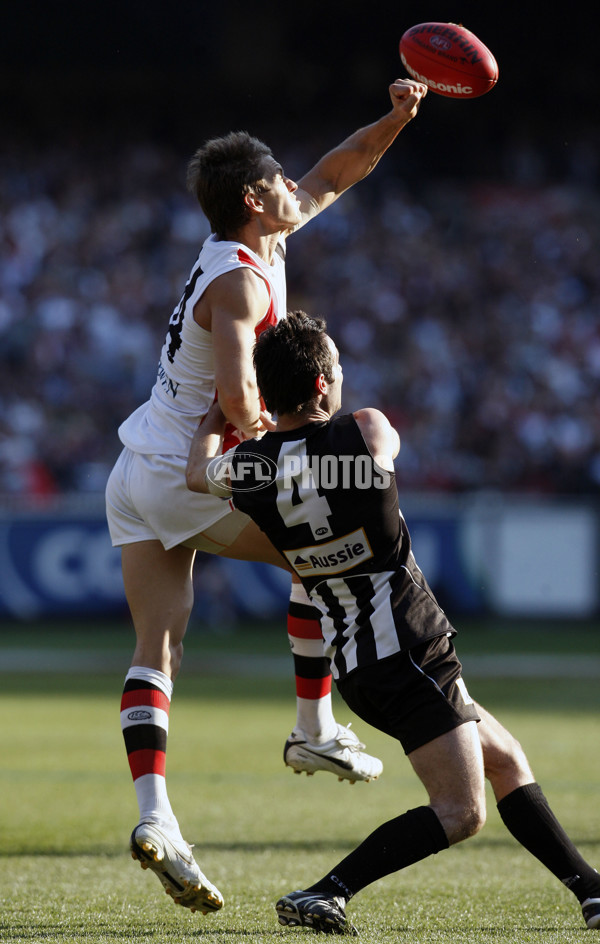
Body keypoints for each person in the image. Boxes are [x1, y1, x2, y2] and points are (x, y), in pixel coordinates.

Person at [105, 78, 428, 914]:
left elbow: (339, 170)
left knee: (157, 651)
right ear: (255, 198)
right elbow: (244, 403)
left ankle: (158, 819)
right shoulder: (245, 284)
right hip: (187, 471)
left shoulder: (254, 247)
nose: (299, 186)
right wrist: (267, 440)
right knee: (321, 550)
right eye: (282, 180)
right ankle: (313, 728)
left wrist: (393, 120)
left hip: (134, 467)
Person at [186, 311, 600, 934]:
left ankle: (590, 893)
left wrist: (219, 417)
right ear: (324, 383)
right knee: (462, 813)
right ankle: (326, 891)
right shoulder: (366, 429)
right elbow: (382, 452)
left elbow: (197, 475)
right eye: (338, 369)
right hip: (408, 649)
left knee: (507, 759)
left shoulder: (255, 467)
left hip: (359, 659)